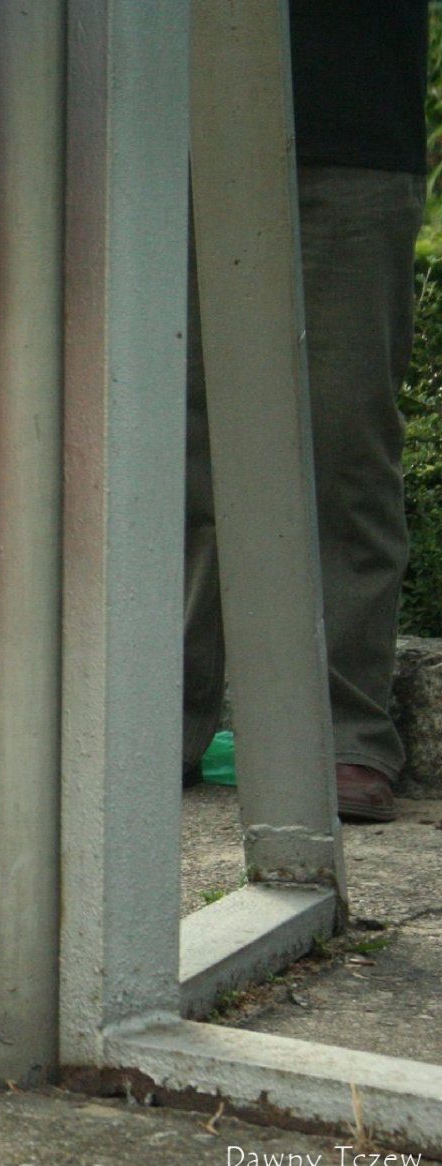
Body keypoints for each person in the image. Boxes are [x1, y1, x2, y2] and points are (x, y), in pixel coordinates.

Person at [183, 1, 427, 823]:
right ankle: (153, 719)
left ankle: (343, 734)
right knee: (169, 445)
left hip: (351, 124)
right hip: (158, 128)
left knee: (344, 442)